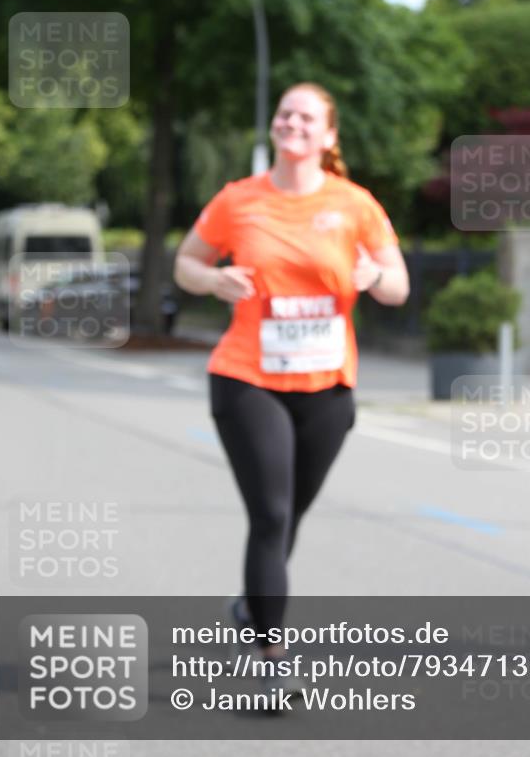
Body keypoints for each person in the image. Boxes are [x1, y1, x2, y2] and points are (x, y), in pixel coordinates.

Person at [174, 82, 409, 694]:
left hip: (328, 385)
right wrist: (213, 279)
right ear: (275, 127)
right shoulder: (238, 200)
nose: (293, 123)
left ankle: (253, 605)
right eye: (285, 114)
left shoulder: (356, 205)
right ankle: (270, 660)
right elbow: (185, 264)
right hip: (248, 376)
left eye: (307, 117)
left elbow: (398, 287)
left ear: (328, 135)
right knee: (272, 514)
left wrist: (374, 272)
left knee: (290, 513)